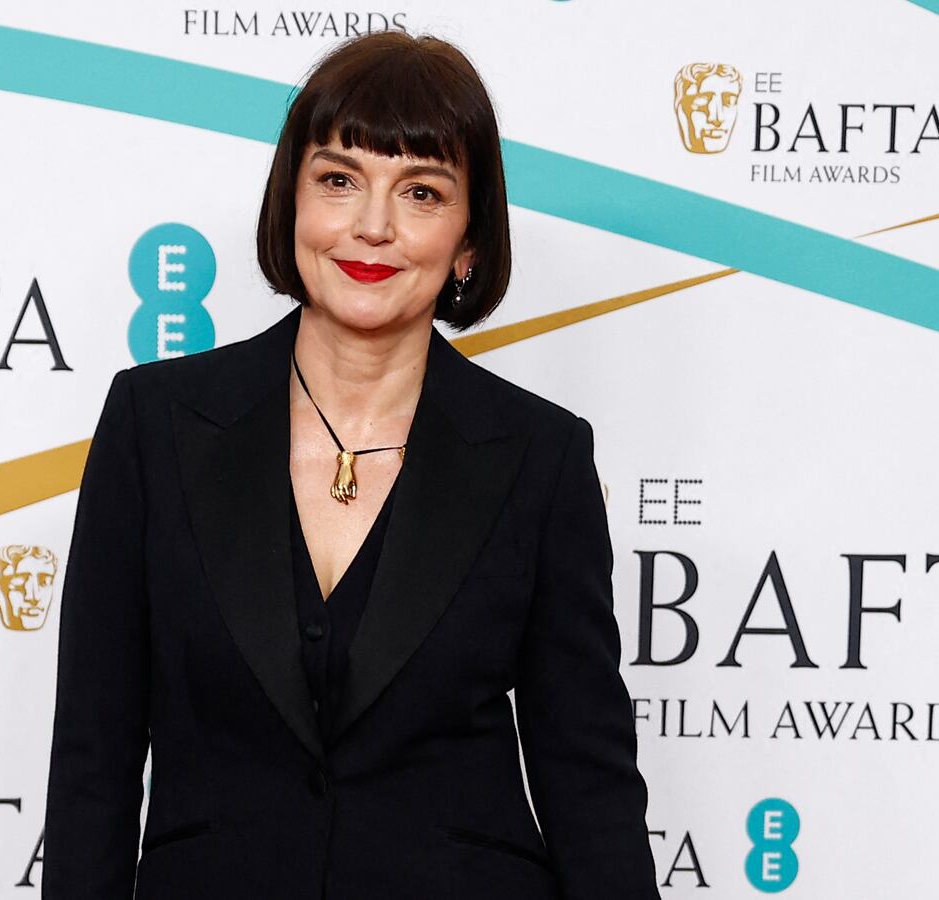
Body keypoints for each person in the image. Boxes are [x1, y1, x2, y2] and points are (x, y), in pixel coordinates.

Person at [43, 30, 659, 900]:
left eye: (421, 190)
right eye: (339, 180)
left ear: (469, 241)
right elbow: (93, 766)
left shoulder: (540, 458)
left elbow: (585, 778)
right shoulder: (156, 426)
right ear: (291, 202)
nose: (373, 224)